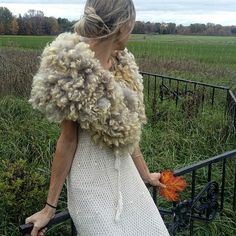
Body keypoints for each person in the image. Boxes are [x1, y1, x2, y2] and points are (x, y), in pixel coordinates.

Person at [25, 0, 170, 235]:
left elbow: (128, 131)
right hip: (90, 185)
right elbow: (67, 141)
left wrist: (145, 174)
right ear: (123, 27)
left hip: (127, 179)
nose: (132, 33)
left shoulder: (124, 66)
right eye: (132, 27)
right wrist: (49, 208)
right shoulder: (72, 70)